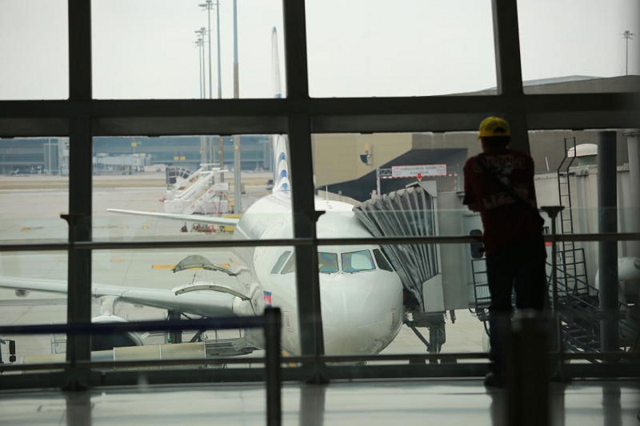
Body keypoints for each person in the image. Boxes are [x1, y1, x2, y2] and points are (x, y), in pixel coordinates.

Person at [463, 116, 547, 387]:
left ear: (484, 141)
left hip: (498, 245)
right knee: (531, 307)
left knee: (500, 308)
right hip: (530, 242)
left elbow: (472, 204)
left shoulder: (474, 165)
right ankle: (534, 367)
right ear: (508, 139)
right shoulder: (525, 160)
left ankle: (500, 369)